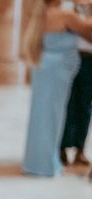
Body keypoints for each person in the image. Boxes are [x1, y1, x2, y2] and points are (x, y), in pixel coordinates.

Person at [22, 0, 92, 177]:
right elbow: (89, 31)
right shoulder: (65, 15)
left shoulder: (42, 13)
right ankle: (45, 164)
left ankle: (36, 161)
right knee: (52, 117)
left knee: (41, 116)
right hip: (56, 71)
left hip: (45, 68)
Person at [61, 1, 92, 167]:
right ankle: (63, 147)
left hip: (89, 59)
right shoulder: (67, 7)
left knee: (86, 106)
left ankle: (80, 149)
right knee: (68, 104)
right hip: (70, 58)